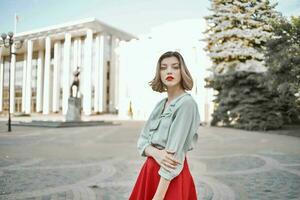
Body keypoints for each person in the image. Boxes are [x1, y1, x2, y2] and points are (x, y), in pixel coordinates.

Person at [129, 51, 200, 200]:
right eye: (163, 67)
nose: (169, 71)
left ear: (182, 72)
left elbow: (173, 157)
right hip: (149, 172)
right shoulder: (160, 105)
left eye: (175, 67)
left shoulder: (186, 104)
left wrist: (158, 196)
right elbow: (142, 142)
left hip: (169, 178)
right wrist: (156, 153)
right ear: (159, 73)